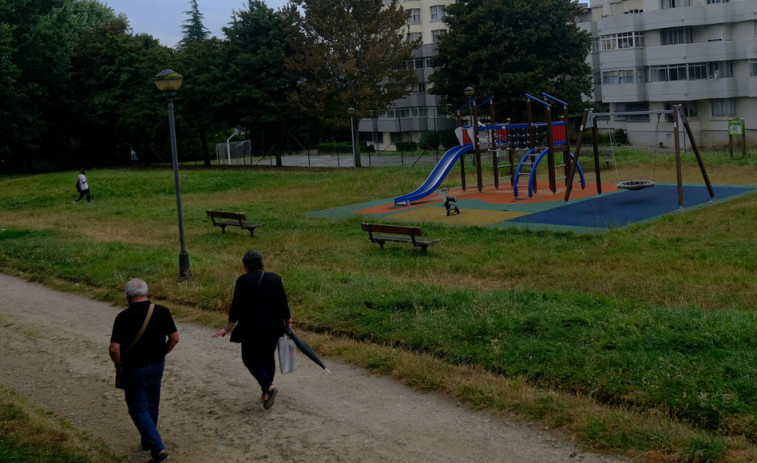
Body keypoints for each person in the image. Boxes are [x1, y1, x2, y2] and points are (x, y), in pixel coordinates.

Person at [110, 278, 179, 463]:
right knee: (152, 403)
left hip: (133, 369)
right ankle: (149, 440)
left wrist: (119, 365)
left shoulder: (123, 317)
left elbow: (114, 348)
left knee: (138, 408)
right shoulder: (162, 312)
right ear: (147, 293)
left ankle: (158, 448)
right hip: (157, 366)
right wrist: (162, 353)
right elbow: (174, 338)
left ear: (128, 296)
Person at [212, 250, 292, 410]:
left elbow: (236, 306)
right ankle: (266, 391)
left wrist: (227, 328)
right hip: (273, 326)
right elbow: (283, 300)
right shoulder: (275, 278)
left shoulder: (243, 281)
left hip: (251, 328)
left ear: (245, 265)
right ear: (262, 262)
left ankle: (268, 387)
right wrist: (288, 320)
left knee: (249, 359)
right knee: (268, 357)